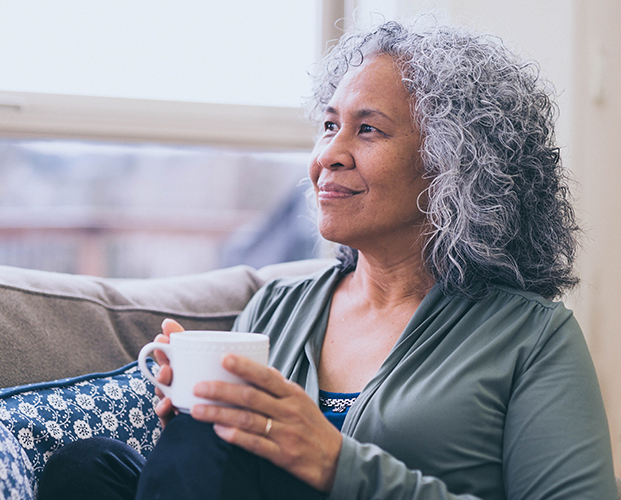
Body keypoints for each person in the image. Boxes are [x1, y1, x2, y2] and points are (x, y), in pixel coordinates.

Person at [37, 19, 618, 500]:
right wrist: (190, 424)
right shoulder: (276, 307)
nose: (329, 157)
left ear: (453, 166)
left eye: (368, 130)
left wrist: (339, 464)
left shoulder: (530, 337)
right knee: (90, 469)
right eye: (330, 126)